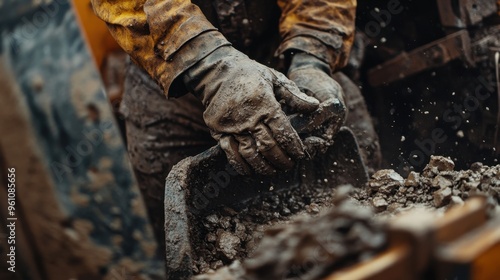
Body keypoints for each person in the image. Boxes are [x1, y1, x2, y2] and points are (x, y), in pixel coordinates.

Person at [90, 0, 380, 254]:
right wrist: (210, 68)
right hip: (170, 73)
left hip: (283, 51)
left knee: (370, 206)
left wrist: (311, 57)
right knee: (178, 236)